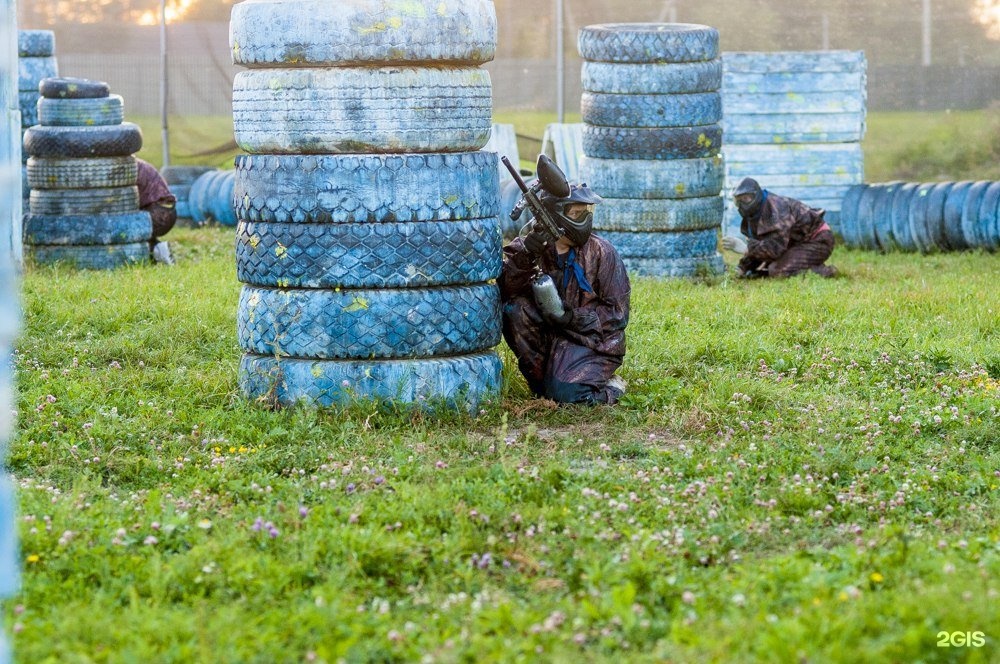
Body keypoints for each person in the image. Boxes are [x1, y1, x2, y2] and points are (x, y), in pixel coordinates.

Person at [498, 183, 630, 405]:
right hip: (548, 336)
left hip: (592, 342)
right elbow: (504, 291)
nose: (585, 220)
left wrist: (572, 318)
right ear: (555, 215)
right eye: (577, 213)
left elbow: (617, 315)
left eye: (587, 212)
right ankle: (546, 385)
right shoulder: (531, 247)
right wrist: (526, 255)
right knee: (514, 310)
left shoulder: (602, 252)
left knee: (568, 396)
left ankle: (612, 388)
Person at [730, 177, 838, 278]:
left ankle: (825, 271)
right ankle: (800, 261)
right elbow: (761, 244)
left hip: (818, 240)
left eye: (745, 198)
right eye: (738, 200)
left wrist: (747, 249)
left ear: (756, 196)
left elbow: (774, 249)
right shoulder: (754, 215)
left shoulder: (776, 209)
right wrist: (742, 267)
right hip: (794, 243)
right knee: (768, 267)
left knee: (776, 270)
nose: (742, 204)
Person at [136, 158, 177, 265]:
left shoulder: (127, 167)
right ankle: (159, 251)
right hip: (167, 210)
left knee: (125, 228)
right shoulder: (134, 163)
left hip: (159, 213)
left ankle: (157, 249)